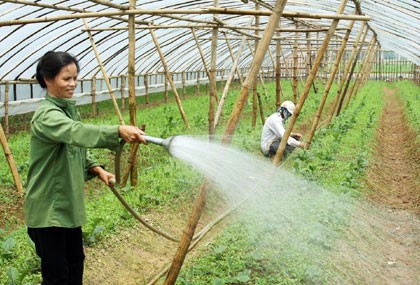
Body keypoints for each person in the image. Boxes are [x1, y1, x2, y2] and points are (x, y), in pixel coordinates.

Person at [25, 51, 147, 285]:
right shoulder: (47, 116)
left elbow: (76, 147)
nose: (72, 84)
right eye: (66, 79)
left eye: (74, 78)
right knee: (57, 277)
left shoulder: (67, 109)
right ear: (47, 80)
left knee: (75, 265)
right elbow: (76, 132)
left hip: (67, 207)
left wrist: (96, 168)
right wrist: (117, 131)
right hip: (49, 211)